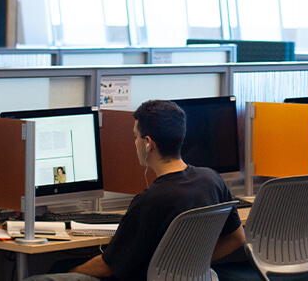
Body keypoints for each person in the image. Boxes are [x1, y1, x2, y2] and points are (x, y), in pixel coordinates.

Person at [27, 100, 245, 281]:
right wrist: (190, 264)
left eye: (135, 137)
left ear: (148, 143)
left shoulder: (150, 200)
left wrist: (68, 274)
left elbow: (106, 267)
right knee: (58, 266)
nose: (134, 143)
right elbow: (237, 238)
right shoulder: (212, 179)